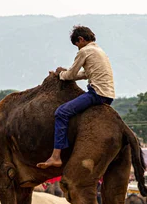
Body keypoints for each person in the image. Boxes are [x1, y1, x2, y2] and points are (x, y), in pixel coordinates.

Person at [37, 26, 115, 169]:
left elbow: (71, 75)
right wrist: (66, 73)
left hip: (96, 94)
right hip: (108, 95)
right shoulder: (99, 51)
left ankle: (56, 156)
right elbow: (85, 74)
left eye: (77, 45)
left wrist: (60, 75)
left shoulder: (85, 51)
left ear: (80, 39)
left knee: (61, 112)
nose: (77, 49)